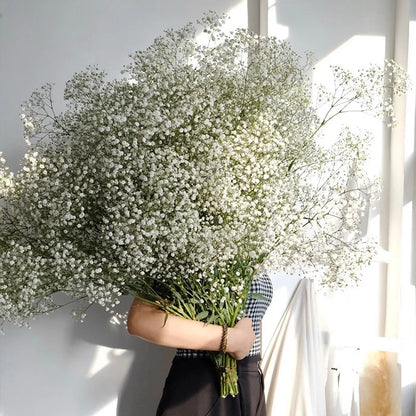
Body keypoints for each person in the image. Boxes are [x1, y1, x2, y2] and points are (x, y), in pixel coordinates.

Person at [127, 273, 273, 416]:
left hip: (250, 381)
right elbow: (141, 320)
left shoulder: (253, 252)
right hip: (203, 381)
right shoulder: (178, 254)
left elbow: (252, 320)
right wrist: (231, 339)